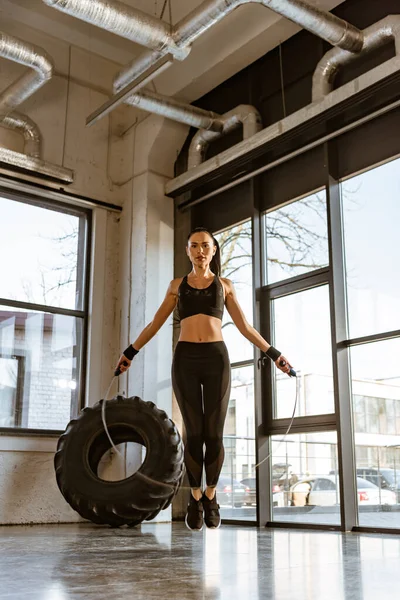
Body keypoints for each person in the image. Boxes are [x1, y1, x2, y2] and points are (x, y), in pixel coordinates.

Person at [115, 227, 293, 531]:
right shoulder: (176, 286)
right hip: (185, 360)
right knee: (193, 434)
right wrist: (130, 352)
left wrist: (275, 354)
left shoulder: (225, 286)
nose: (200, 251)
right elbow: (155, 324)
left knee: (214, 434)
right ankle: (195, 497)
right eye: (194, 246)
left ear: (213, 251)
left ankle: (211, 495)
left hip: (216, 360)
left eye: (205, 246)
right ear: (187, 251)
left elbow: (245, 327)